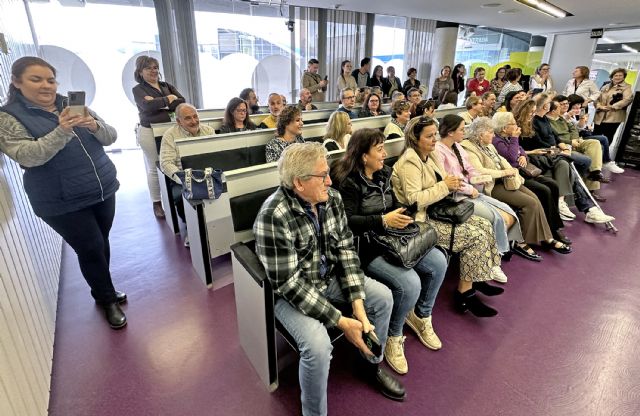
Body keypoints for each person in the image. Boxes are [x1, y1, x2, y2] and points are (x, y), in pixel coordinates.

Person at [254, 143, 406, 416]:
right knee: (319, 346)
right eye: (322, 175)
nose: (330, 180)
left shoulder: (331, 199)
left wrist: (357, 302)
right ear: (299, 183)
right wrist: (340, 320)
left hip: (327, 278)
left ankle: (369, 364)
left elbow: (346, 250)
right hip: (291, 295)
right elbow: (289, 284)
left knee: (382, 298)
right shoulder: (273, 217)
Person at [0, 56, 126, 328]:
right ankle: (107, 300)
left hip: (101, 187)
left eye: (50, 79)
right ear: (16, 82)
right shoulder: (8, 117)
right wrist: (63, 130)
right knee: (90, 248)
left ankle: (105, 288)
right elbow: (28, 156)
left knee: (101, 241)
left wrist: (92, 124)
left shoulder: (73, 104)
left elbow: (111, 136)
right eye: (36, 79)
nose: (46, 85)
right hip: (61, 200)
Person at [332, 129, 447, 374]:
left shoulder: (384, 173)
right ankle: (395, 335)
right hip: (366, 246)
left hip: (391, 238)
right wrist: (382, 220)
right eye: (380, 149)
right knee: (410, 283)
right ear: (364, 156)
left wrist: (400, 215)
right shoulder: (348, 181)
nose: (385, 154)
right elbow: (347, 221)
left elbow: (394, 204)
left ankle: (421, 316)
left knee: (438, 260)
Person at [392, 117, 504, 317]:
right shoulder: (410, 161)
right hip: (421, 221)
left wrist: (450, 184)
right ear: (415, 138)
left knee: (485, 225)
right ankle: (464, 293)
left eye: (435, 134)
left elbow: (445, 181)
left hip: (437, 211)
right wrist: (445, 186)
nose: (435, 139)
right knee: (475, 237)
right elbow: (414, 200)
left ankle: (477, 279)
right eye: (429, 136)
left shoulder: (429, 155)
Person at [463, 117, 570, 260]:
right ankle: (520, 242)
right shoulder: (469, 148)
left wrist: (512, 171)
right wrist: (505, 172)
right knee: (529, 203)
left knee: (534, 197)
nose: (494, 135)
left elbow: (504, 161)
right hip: (491, 186)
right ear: (480, 134)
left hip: (506, 182)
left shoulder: (488, 145)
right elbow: (480, 171)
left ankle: (546, 237)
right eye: (490, 132)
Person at [435, 114, 522, 274]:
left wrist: (479, 178)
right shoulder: (438, 151)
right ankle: (493, 260)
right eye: (461, 129)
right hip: (457, 197)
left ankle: (496, 252)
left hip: (472, 192)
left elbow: (469, 169)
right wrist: (471, 189)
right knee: (498, 218)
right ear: (450, 132)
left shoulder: (458, 147)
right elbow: (450, 180)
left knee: (508, 212)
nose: (464, 132)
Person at [514, 99, 615, 225]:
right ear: (523, 112)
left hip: (541, 154)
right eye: (531, 112)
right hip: (531, 158)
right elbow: (514, 149)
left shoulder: (532, 124)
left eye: (534, 112)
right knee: (568, 164)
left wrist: (557, 147)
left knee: (565, 163)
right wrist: (531, 152)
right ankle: (586, 208)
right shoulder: (516, 125)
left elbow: (548, 139)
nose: (532, 115)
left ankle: (578, 206)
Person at [492, 111, 571, 252]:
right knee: (543, 190)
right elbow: (510, 157)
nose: (516, 126)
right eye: (513, 124)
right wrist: (516, 139)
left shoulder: (509, 138)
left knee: (552, 185)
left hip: (522, 172)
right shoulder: (497, 141)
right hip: (512, 178)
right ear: (504, 128)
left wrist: (522, 156)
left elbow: (520, 151)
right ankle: (551, 232)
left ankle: (553, 227)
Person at [132, 55, 185, 219]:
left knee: (172, 163)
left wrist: (158, 102)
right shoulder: (138, 89)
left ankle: (174, 200)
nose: (153, 71)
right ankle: (157, 203)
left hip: (169, 130)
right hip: (149, 131)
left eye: (155, 67)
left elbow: (182, 101)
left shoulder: (166, 85)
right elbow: (146, 107)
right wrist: (168, 100)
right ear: (140, 72)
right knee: (155, 168)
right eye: (149, 68)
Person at [160, 104, 215, 247]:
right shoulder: (170, 135)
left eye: (195, 116)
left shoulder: (209, 130)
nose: (194, 121)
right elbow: (166, 163)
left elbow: (216, 155)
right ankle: (192, 229)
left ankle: (212, 226)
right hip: (183, 178)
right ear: (178, 121)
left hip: (206, 175)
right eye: (188, 118)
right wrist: (185, 179)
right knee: (181, 197)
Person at [547, 96, 606, 199]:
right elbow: (554, 138)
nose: (565, 106)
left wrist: (575, 140)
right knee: (588, 159)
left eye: (566, 103)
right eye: (561, 105)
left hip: (574, 142)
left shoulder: (562, 118)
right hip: (561, 146)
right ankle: (586, 189)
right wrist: (570, 142)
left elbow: (573, 129)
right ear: (552, 109)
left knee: (595, 143)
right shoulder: (547, 121)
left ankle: (596, 172)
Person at [567, 94, 624, 174]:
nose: (578, 107)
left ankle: (599, 169)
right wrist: (582, 120)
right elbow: (577, 127)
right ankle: (606, 162)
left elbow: (581, 126)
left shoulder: (578, 113)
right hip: (578, 137)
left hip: (583, 134)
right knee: (603, 139)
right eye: (576, 105)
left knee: (601, 144)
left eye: (579, 105)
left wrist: (585, 123)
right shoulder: (568, 114)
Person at [594, 68, 634, 152]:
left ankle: (603, 155)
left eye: (620, 75)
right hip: (600, 114)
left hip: (613, 116)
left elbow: (627, 100)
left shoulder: (627, 87)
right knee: (595, 135)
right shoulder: (605, 85)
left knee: (608, 136)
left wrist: (612, 107)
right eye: (616, 75)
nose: (618, 77)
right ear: (612, 76)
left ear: (624, 77)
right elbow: (596, 98)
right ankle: (593, 153)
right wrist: (599, 106)